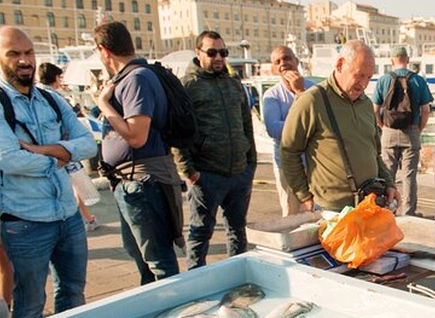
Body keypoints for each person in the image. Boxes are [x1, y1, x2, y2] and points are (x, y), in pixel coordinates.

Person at [0, 26, 98, 318]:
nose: (24, 60)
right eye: (14, 54)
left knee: (73, 294)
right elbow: (10, 159)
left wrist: (41, 150)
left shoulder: (51, 100)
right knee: (30, 305)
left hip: (68, 217)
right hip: (25, 223)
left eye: (28, 52)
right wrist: (61, 155)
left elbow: (88, 143)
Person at [93, 21, 186, 285]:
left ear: (104, 51)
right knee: (143, 256)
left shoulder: (136, 79)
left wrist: (103, 104)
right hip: (133, 181)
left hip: (144, 183)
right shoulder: (133, 78)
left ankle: (173, 312)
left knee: (158, 261)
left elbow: (137, 136)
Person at [281, 39, 399, 212]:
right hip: (330, 211)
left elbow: (374, 154)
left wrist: (389, 184)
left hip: (369, 206)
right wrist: (304, 197)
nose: (363, 84)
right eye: (359, 75)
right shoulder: (312, 101)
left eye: (368, 77)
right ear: (340, 64)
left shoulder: (366, 104)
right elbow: (289, 151)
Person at [174, 30, 256, 269]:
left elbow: (246, 123)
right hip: (207, 174)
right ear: (199, 53)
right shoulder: (188, 87)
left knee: (238, 232)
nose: (219, 57)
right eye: (212, 52)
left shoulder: (233, 84)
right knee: (200, 234)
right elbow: (177, 132)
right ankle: (195, 281)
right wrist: (188, 171)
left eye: (223, 52)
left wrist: (249, 162)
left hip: (239, 174)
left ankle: (237, 277)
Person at [372, 45, 433, 217]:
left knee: (387, 174)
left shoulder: (383, 80)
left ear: (392, 61)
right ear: (407, 60)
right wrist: (418, 129)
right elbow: (426, 110)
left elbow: (375, 109)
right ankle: (409, 213)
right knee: (409, 176)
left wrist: (383, 126)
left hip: (389, 132)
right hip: (411, 132)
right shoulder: (418, 80)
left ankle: (386, 211)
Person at [39, 61, 99, 232]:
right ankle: (86, 219)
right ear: (56, 78)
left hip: (45, 154)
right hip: (62, 151)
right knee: (74, 185)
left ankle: (85, 218)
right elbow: (74, 129)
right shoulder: (54, 97)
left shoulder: (37, 96)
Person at [261, 45, 314, 217]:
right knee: (291, 214)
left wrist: (301, 91)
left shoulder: (314, 89)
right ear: (273, 68)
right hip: (287, 167)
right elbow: (274, 129)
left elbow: (323, 123)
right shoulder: (272, 96)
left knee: (317, 215)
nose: (283, 63)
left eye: (287, 58)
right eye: (278, 61)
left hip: (315, 164)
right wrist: (305, 123)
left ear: (297, 61)